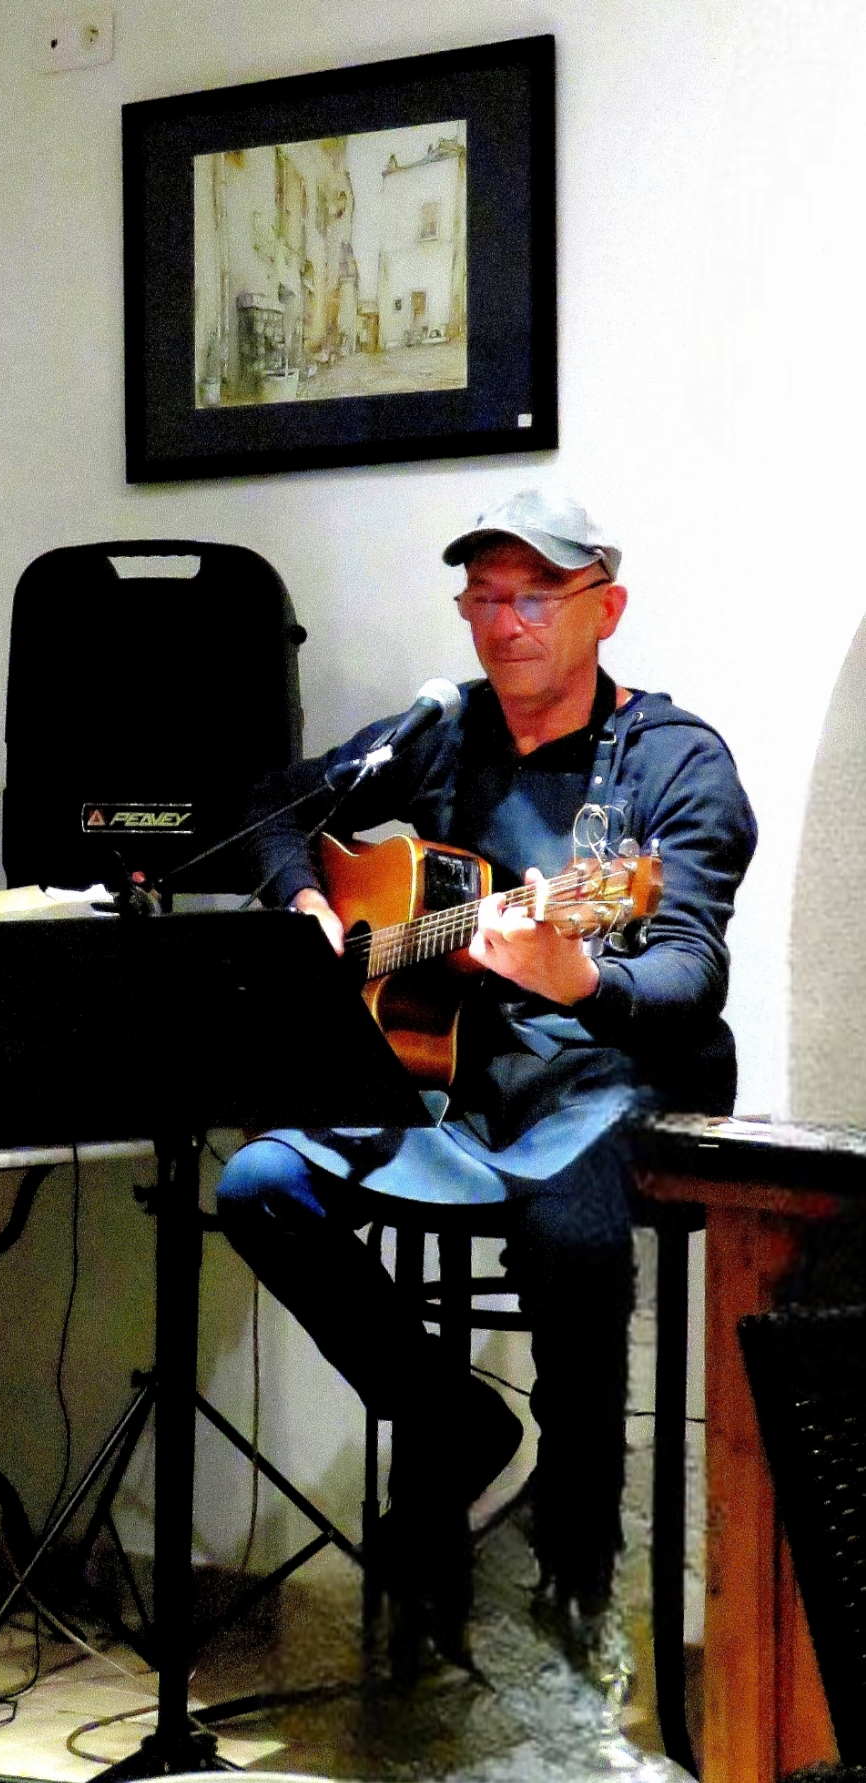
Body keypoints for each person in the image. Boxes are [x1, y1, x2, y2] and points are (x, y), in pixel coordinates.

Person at [216, 489, 757, 1668]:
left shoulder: (676, 763)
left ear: (606, 608)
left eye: (536, 596)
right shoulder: (437, 731)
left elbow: (687, 968)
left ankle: (578, 1567)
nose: (505, 622)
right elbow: (273, 805)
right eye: (484, 597)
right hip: (447, 1081)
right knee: (258, 1182)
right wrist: (304, 899)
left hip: (602, 1081)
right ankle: (450, 1418)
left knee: (571, 1228)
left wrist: (582, 978)